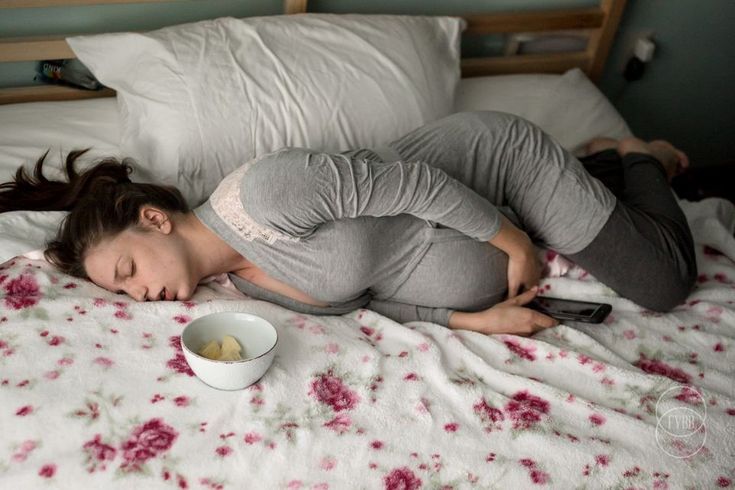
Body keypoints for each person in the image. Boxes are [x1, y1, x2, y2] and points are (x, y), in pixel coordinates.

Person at [0, 111, 696, 336]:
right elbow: (367, 294)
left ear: (154, 220)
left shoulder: (266, 194)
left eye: (127, 271)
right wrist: (469, 323)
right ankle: (589, 170)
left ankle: (638, 158)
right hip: (486, 216)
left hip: (495, 167)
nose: (135, 293)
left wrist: (511, 241)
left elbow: (415, 183)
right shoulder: (245, 286)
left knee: (661, 284)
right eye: (120, 293)